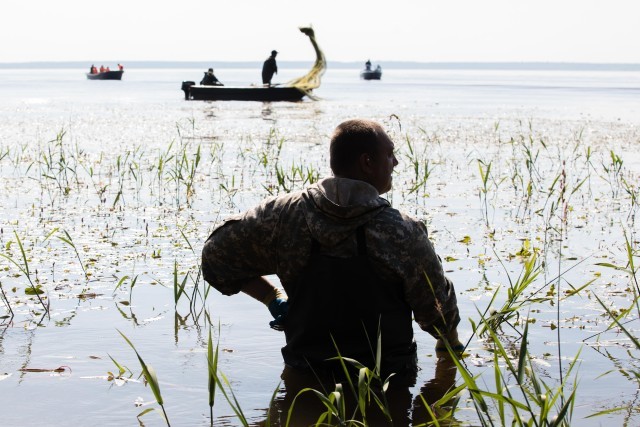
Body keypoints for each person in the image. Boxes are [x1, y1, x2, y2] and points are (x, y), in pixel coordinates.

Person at [201, 118, 461, 383]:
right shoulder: (402, 230)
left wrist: (270, 296)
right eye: (390, 154)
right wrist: (449, 346)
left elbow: (215, 257)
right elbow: (437, 310)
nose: (395, 163)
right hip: (384, 383)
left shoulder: (282, 215)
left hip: (305, 377)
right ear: (367, 162)